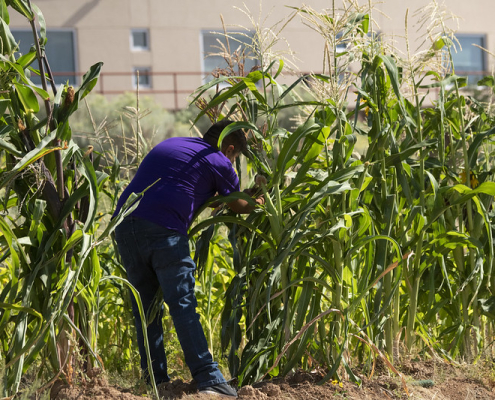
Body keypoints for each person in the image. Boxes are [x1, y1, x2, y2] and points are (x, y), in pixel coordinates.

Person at [113, 120, 264, 398]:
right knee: (182, 303)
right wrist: (259, 199)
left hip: (124, 226)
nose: (232, 162)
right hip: (165, 229)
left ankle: (155, 382)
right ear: (230, 148)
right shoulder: (219, 159)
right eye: (236, 157)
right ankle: (209, 378)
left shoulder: (173, 144)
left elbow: (201, 193)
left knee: (146, 309)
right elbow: (237, 204)